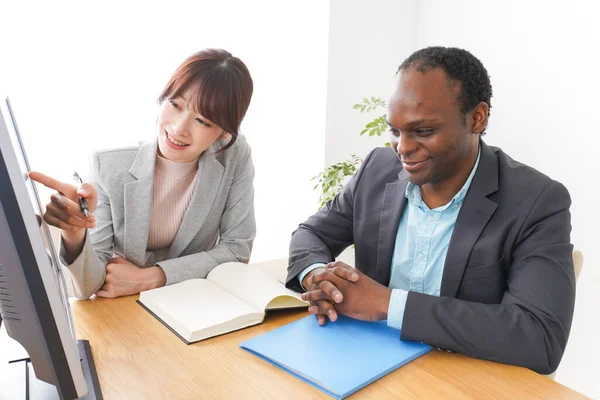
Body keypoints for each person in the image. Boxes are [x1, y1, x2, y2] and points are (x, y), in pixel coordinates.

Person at [286, 46, 575, 375]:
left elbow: (538, 337)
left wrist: (385, 303)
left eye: (423, 131)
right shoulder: (376, 171)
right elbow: (310, 234)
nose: (403, 149)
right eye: (395, 131)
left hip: (462, 381)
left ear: (477, 118)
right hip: (363, 367)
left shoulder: (536, 201)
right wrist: (317, 277)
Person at [31, 49, 256, 300]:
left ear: (225, 133)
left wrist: (152, 277)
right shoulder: (108, 166)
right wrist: (74, 234)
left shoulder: (234, 156)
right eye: (175, 104)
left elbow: (237, 250)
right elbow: (87, 287)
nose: (179, 128)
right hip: (121, 309)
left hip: (187, 303)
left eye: (202, 121)